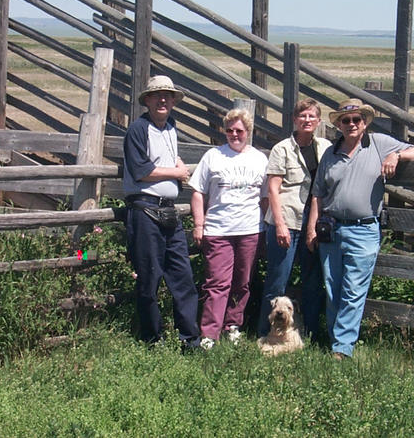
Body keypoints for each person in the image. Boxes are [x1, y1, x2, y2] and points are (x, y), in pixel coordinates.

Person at [306, 98, 414, 359]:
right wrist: (311, 228)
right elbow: (318, 194)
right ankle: (337, 339)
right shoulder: (330, 153)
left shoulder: (378, 144)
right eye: (345, 120)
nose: (351, 124)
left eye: (356, 120)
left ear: (365, 122)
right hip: (331, 228)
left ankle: (341, 349)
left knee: (353, 289)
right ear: (338, 125)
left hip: (364, 229)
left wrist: (397, 155)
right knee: (333, 287)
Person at [123, 75, 200, 349]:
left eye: (168, 95)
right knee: (149, 278)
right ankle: (151, 340)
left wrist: (175, 164)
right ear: (147, 100)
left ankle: (190, 340)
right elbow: (141, 171)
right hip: (145, 211)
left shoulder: (171, 127)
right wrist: (178, 172)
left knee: (183, 277)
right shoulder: (138, 129)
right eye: (157, 96)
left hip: (168, 213)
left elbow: (163, 159)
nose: (163, 100)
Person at [188, 108, 268, 350]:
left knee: (242, 282)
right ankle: (210, 333)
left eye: (240, 131)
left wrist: (266, 226)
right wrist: (199, 224)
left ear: (248, 132)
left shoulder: (259, 159)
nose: (235, 134)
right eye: (230, 130)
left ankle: (232, 325)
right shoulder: (213, 156)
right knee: (217, 283)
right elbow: (197, 192)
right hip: (218, 230)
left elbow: (265, 197)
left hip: (250, 229)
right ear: (225, 131)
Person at [257, 98, 332, 343]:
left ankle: (308, 334)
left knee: (312, 282)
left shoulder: (326, 147)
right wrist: (278, 224)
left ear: (318, 121)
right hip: (287, 221)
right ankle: (266, 334)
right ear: (294, 120)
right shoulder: (282, 149)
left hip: (313, 224)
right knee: (278, 281)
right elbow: (273, 190)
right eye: (302, 116)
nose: (307, 120)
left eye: (311, 116)